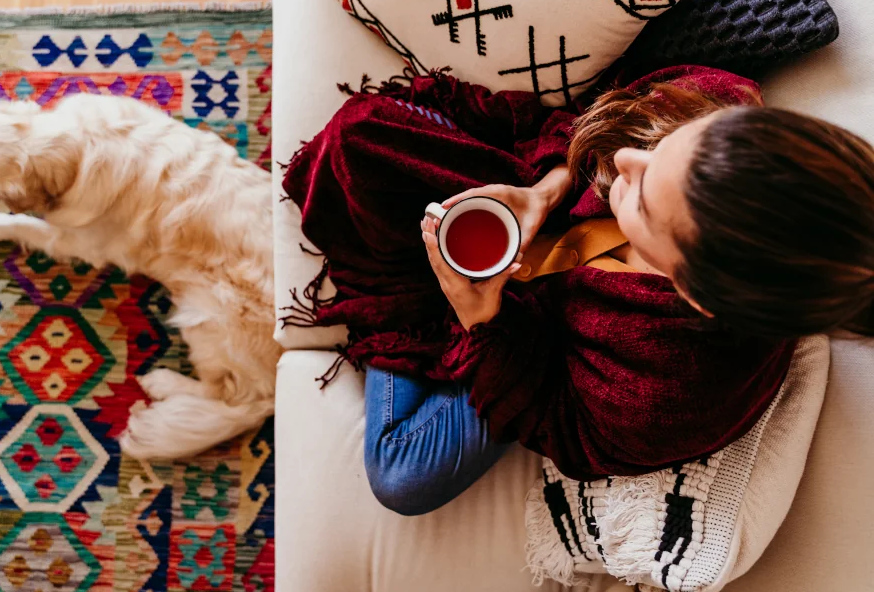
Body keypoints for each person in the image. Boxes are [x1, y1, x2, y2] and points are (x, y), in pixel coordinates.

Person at [280, 66, 874, 516]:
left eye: (642, 199)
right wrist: (549, 187)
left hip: (541, 349)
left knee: (404, 478)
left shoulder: (670, 395)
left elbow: (562, 422)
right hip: (538, 205)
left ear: (696, 295)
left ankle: (422, 303)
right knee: (359, 137)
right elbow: (600, 130)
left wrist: (480, 320)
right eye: (659, 151)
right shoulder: (712, 103)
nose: (624, 160)